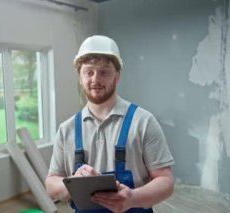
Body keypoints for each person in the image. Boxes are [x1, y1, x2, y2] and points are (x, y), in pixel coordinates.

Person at [45, 35, 174, 213]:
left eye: (104, 72)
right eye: (89, 72)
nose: (95, 80)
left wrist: (132, 199)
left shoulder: (143, 122)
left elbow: (165, 181)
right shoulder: (67, 130)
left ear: (117, 76)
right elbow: (51, 185)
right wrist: (73, 181)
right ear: (80, 77)